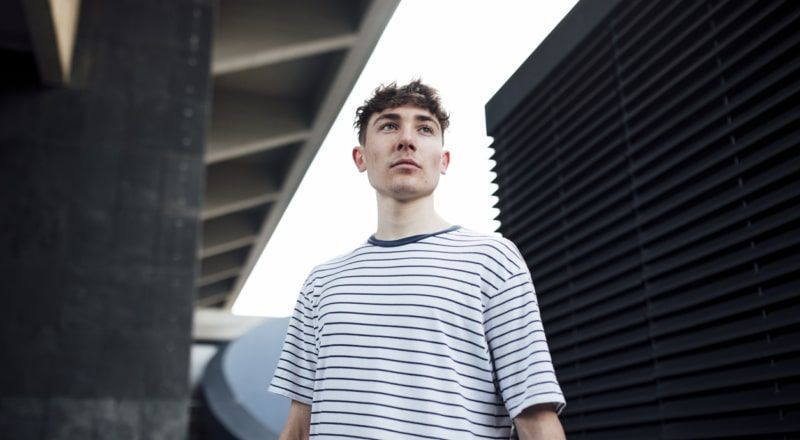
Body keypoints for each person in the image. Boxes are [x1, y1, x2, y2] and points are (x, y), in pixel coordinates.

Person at [268, 80, 566, 439]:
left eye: (424, 128)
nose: (407, 139)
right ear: (360, 157)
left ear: (444, 161)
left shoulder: (492, 262)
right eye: (389, 125)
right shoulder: (322, 283)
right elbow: (299, 428)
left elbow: (535, 416)